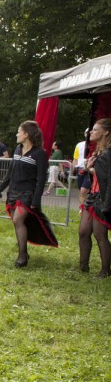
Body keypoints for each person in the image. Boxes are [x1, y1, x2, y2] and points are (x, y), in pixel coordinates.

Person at [0, 121, 49, 267]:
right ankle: (24, 250)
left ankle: (22, 256)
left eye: (19, 131)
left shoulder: (40, 154)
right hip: (13, 191)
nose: (17, 134)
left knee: (18, 219)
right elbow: (10, 172)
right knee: (16, 222)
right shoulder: (18, 149)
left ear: (26, 134)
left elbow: (41, 179)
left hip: (27, 193)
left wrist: (36, 200)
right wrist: (0, 188)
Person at [77, 118, 111, 277]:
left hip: (102, 197)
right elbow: (97, 174)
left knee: (99, 234)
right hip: (92, 196)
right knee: (83, 231)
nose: (91, 132)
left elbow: (106, 178)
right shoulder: (98, 152)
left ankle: (105, 270)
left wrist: (91, 168)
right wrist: (89, 168)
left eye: (95, 129)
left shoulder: (108, 154)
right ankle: (83, 266)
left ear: (106, 132)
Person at [73, 129, 92, 207]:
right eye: (86, 132)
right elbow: (75, 158)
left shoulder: (96, 144)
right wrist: (74, 169)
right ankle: (82, 208)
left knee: (83, 190)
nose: (88, 134)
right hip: (80, 169)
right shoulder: (79, 144)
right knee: (81, 190)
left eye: (89, 132)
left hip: (89, 169)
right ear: (84, 134)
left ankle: (86, 207)